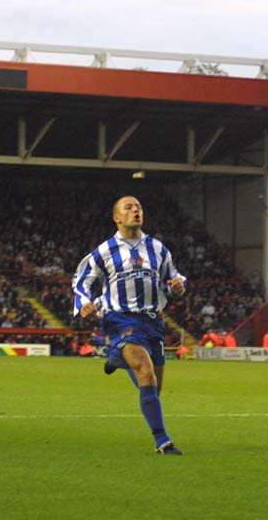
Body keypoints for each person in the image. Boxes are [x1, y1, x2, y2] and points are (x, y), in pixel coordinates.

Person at [72, 195, 185, 456]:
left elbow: (174, 277)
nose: (136, 211)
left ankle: (113, 353)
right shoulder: (104, 251)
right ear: (117, 218)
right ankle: (163, 441)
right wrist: (84, 303)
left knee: (154, 388)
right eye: (129, 208)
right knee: (145, 372)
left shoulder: (158, 249)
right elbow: (81, 281)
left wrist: (178, 285)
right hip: (120, 318)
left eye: (139, 207)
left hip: (152, 320)